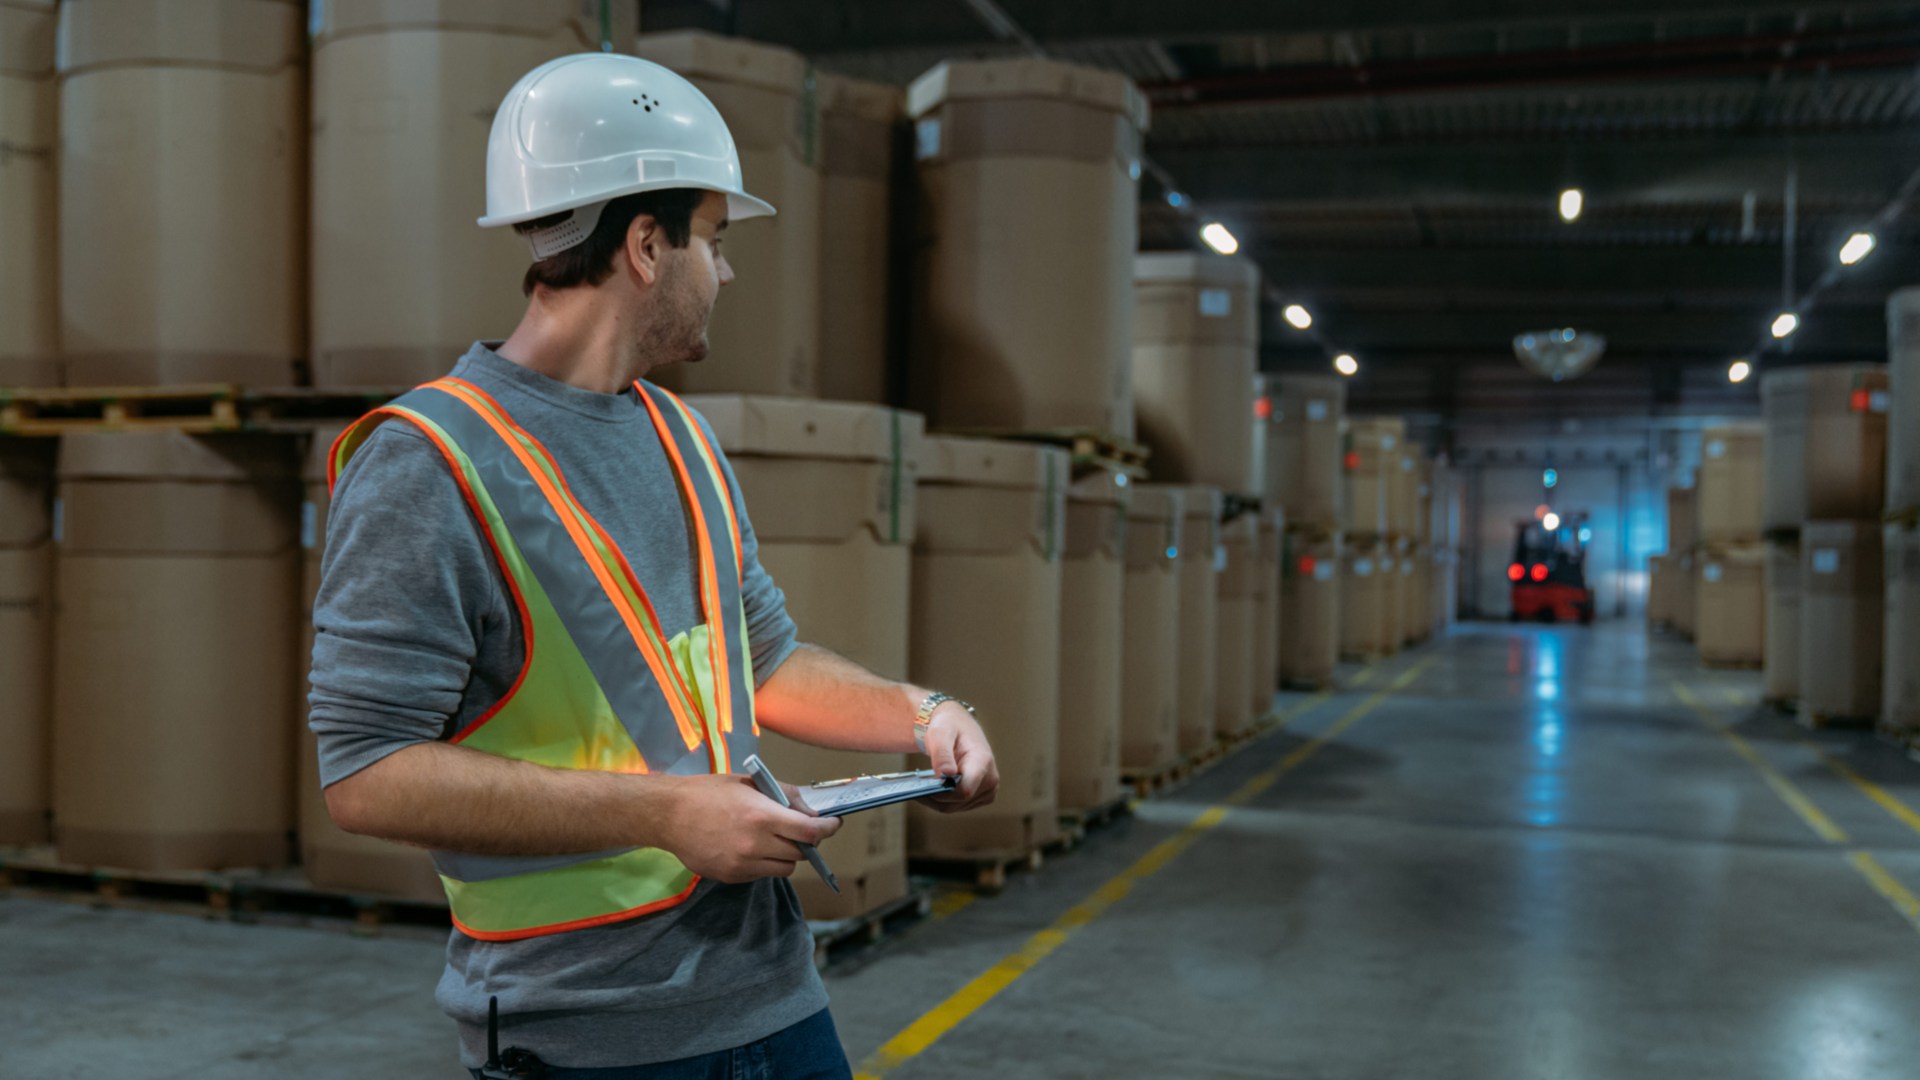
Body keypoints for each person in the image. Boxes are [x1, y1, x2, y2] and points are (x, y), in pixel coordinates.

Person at [307, 53, 1000, 1078]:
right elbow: (365, 775)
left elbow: (758, 659)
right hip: (585, 1033)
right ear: (644, 245)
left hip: (772, 997)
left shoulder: (680, 437)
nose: (725, 271)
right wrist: (668, 815)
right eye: (713, 238)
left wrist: (922, 713)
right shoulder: (428, 463)